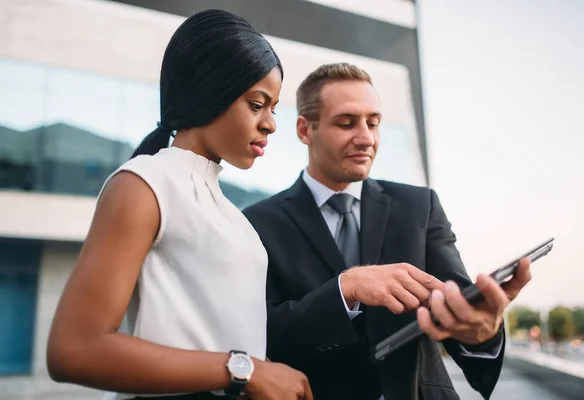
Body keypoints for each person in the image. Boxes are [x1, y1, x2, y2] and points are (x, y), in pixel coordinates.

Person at [46, 9, 313, 400]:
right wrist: (246, 371)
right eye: (257, 104)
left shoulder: (231, 214)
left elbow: (223, 338)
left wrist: (262, 372)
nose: (271, 123)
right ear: (210, 92)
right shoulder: (143, 185)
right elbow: (74, 350)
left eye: (272, 108)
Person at [242, 63, 533, 400]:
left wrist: (483, 332)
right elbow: (261, 334)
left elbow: (458, 305)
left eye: (374, 123)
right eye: (347, 123)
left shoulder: (420, 206)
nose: (366, 138)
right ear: (305, 130)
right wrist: (344, 291)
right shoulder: (257, 222)